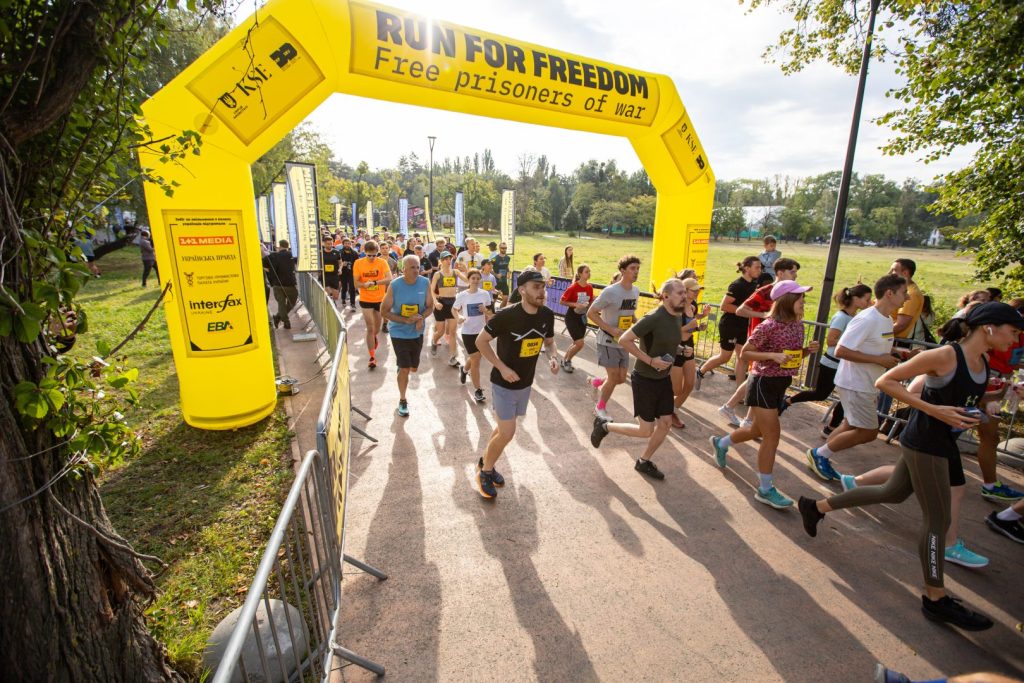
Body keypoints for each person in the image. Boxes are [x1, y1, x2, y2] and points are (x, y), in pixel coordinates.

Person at [799, 302, 1024, 632]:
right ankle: (935, 598)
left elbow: (966, 400)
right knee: (938, 520)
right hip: (926, 442)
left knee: (891, 492)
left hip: (941, 442)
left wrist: (993, 403)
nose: (1016, 340)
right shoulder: (946, 355)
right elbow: (886, 382)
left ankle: (815, 507)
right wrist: (935, 411)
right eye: (1013, 332)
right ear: (989, 327)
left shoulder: (984, 360)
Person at [709, 280, 819, 508]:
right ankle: (765, 489)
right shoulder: (768, 326)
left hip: (781, 383)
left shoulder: (797, 325)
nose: (803, 302)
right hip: (763, 383)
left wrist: (806, 351)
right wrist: (771, 356)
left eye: (803, 298)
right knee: (772, 436)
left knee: (756, 430)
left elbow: (790, 356)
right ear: (786, 300)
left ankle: (721, 443)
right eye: (800, 298)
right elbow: (745, 354)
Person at [804, 275, 907, 482]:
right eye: (904, 293)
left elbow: (874, 345)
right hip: (856, 384)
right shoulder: (866, 319)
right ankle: (819, 454)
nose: (907, 297)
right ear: (889, 293)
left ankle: (822, 455)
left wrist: (900, 353)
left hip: (866, 383)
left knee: (850, 425)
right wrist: (879, 360)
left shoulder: (886, 319)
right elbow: (841, 350)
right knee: (869, 432)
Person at [590, 278, 690, 480]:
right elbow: (624, 339)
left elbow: (665, 341)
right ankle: (604, 426)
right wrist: (650, 361)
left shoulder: (677, 316)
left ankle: (644, 461)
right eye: (680, 293)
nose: (685, 296)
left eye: (685, 292)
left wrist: (680, 349)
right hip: (645, 379)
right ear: (666, 296)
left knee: (665, 423)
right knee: (646, 431)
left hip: (663, 379)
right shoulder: (653, 317)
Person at [473, 271, 560, 499]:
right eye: (536, 287)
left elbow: (549, 342)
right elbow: (480, 341)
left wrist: (553, 356)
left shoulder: (547, 314)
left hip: (525, 383)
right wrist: (502, 367)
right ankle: (485, 472)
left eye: (543, 287)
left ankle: (486, 460)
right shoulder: (506, 315)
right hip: (503, 383)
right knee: (508, 432)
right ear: (522, 290)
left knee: (503, 429)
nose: (542, 292)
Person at [719, 257, 802, 428]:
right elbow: (741, 310)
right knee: (756, 377)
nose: (795, 275)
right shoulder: (765, 291)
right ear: (780, 273)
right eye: (792, 272)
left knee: (757, 378)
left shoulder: (792, 292)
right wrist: (764, 316)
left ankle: (741, 415)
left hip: (777, 344)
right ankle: (740, 416)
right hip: (761, 342)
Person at [782, 284, 872, 434]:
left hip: (846, 365)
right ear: (855, 299)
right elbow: (831, 341)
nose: (869, 303)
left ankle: (831, 428)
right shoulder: (841, 317)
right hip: (831, 364)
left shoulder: (856, 318)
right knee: (820, 394)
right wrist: (854, 343)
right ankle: (787, 401)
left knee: (848, 397)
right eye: (867, 299)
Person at [697, 256, 761, 397]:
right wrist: (746, 312)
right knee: (724, 357)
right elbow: (724, 306)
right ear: (747, 268)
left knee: (742, 358)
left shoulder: (755, 284)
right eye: (757, 267)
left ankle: (740, 393)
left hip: (744, 326)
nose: (759, 270)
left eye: (760, 267)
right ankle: (700, 371)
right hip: (730, 325)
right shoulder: (737, 285)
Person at [587, 255, 641, 420]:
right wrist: (610, 329)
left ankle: (596, 382)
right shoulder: (610, 291)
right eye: (632, 268)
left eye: (638, 269)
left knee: (620, 378)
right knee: (613, 377)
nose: (636, 272)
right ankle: (600, 408)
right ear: (622, 270)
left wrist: (639, 325)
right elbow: (591, 313)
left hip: (624, 341)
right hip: (607, 339)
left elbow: (630, 313)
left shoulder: (636, 291)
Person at [380, 255, 433, 417]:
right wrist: (405, 320)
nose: (416, 270)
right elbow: (384, 311)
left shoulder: (425, 282)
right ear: (403, 269)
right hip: (398, 331)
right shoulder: (395, 285)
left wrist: (421, 317)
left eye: (418, 267)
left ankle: (403, 366)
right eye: (412, 267)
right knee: (404, 368)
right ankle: (403, 400)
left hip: (417, 332)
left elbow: (430, 307)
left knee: (413, 368)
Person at [671, 278, 710, 429]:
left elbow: (690, 326)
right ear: (684, 291)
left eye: (698, 290)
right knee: (676, 389)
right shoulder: (676, 308)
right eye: (694, 290)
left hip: (689, 346)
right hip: (676, 348)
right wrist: (690, 326)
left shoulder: (693, 306)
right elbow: (672, 332)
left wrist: (699, 325)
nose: (697, 293)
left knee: (689, 384)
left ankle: (672, 411)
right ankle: (661, 407)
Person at [452, 268, 493, 403]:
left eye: (477, 278)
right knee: (476, 359)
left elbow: (491, 314)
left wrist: (485, 310)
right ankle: (478, 390)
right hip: (468, 331)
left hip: (482, 332)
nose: (475, 281)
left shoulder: (485, 294)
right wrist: (458, 317)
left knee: (476, 357)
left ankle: (464, 370)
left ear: (480, 280)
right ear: (468, 280)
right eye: (472, 278)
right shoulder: (462, 295)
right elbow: (454, 309)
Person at [352, 240, 391, 370]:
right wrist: (364, 285)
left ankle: (374, 337)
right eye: (369, 255)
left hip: (379, 299)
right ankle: (372, 357)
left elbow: (389, 278)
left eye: (374, 255)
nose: (372, 258)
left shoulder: (382, 262)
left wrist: (374, 283)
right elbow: (356, 283)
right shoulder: (358, 263)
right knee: (369, 327)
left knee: (376, 329)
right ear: (364, 252)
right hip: (365, 299)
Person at [429, 251, 464, 367]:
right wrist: (435, 302)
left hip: (452, 303)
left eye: (450, 259)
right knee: (441, 331)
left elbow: (468, 281)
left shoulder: (456, 272)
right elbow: (431, 290)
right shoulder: (437, 274)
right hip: (441, 303)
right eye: (446, 259)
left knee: (452, 332)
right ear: (441, 261)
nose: (448, 261)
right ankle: (434, 341)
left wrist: (466, 269)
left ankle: (453, 357)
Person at [558, 264, 593, 373]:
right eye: (586, 272)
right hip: (572, 317)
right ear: (580, 274)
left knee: (576, 342)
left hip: (582, 317)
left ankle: (564, 360)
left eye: (589, 271)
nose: (589, 273)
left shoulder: (589, 287)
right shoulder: (573, 287)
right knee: (580, 343)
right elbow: (562, 301)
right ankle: (567, 361)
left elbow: (590, 301)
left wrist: (592, 303)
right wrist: (575, 304)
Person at [264, 239, 298, 329]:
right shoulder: (292, 255)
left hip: (277, 284)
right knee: (291, 302)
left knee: (281, 304)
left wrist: (270, 271)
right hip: (290, 283)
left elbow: (262, 263)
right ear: (287, 246)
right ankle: (283, 320)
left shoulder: (273, 256)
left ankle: (281, 319)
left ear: (279, 246)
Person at [889, 258, 925, 341]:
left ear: (905, 273)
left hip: (895, 341)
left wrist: (880, 336)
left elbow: (901, 325)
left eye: (894, 270)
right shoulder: (900, 289)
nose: (890, 273)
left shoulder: (911, 294)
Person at [320, 236, 342, 303]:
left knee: (336, 297)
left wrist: (340, 269)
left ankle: (333, 304)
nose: (330, 245)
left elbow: (340, 263)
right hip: (325, 275)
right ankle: (329, 303)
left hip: (334, 275)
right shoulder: (320, 253)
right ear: (324, 243)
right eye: (328, 244)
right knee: (329, 293)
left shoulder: (336, 252)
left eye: (331, 243)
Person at [338, 238, 358, 308]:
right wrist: (341, 265)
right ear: (343, 244)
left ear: (351, 244)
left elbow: (357, 263)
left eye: (349, 243)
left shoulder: (354, 253)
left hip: (352, 272)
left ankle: (353, 303)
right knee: (344, 287)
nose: (347, 245)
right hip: (343, 273)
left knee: (352, 288)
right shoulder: (339, 252)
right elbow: (337, 262)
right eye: (346, 243)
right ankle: (343, 299)